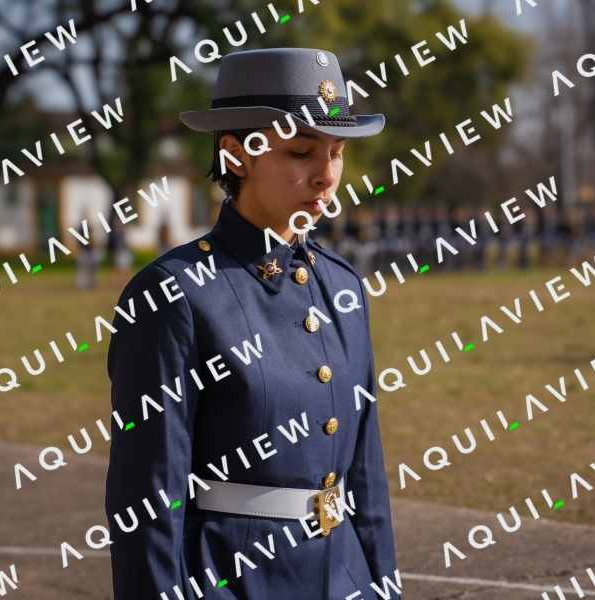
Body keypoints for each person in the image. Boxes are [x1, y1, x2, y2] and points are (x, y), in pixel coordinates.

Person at [105, 48, 399, 599]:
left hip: (344, 577)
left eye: (337, 153)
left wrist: (384, 587)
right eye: (301, 152)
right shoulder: (174, 294)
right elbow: (147, 498)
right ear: (237, 155)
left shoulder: (344, 286)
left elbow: (366, 474)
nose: (326, 175)